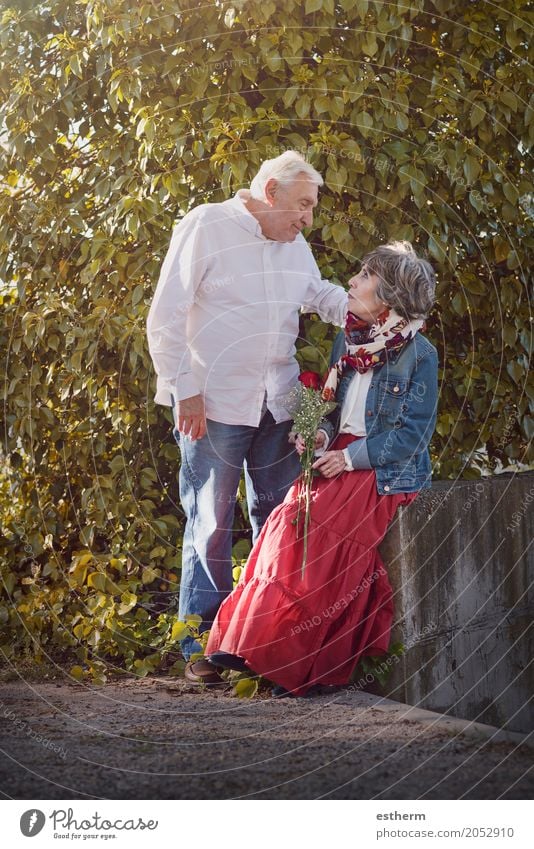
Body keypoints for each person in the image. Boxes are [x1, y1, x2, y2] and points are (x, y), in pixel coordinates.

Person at [146, 151, 348, 684]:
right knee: (210, 523)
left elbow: (319, 295)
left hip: (276, 405)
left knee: (275, 523)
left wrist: (370, 309)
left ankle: (260, 642)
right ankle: (199, 645)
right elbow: (164, 315)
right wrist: (184, 390)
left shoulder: (294, 244)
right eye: (303, 205)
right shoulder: (206, 225)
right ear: (271, 191)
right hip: (213, 405)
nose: (309, 218)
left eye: (312, 209)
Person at [205, 241, 439, 696]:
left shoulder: (420, 354)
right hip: (341, 455)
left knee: (319, 531)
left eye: (364, 276)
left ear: (387, 296)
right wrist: (318, 434)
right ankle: (253, 645)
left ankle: (304, 666)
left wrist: (348, 456)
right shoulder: (350, 338)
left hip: (382, 466)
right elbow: (332, 409)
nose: (350, 282)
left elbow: (412, 435)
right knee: (283, 520)